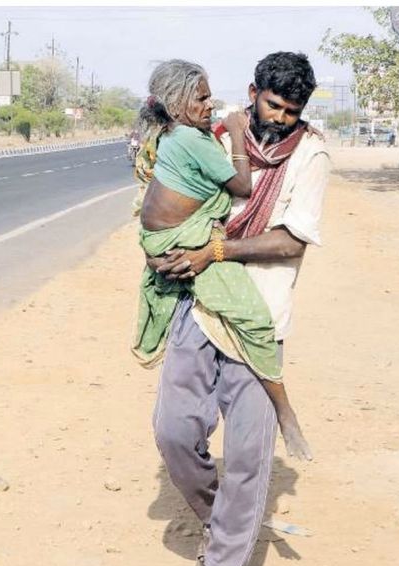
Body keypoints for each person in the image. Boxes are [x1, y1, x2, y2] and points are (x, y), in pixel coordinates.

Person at [139, 52, 330, 566]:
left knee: (248, 455)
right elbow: (170, 203)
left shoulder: (311, 153)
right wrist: (173, 252)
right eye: (273, 105)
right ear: (253, 91)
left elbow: (291, 242)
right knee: (174, 432)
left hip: (261, 317)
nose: (281, 119)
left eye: (293, 112)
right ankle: (224, 518)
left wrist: (213, 250)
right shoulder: (215, 136)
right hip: (197, 308)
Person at [132, 59, 309, 452]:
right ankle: (285, 411)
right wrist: (234, 131)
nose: (210, 104)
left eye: (209, 96)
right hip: (186, 243)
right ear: (177, 105)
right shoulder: (195, 140)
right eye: (202, 98)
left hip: (161, 240)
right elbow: (243, 186)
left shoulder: (171, 136)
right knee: (255, 320)